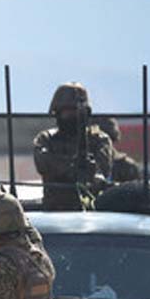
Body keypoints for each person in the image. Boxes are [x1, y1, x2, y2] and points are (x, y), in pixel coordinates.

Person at [33, 82, 114, 211]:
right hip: (55, 208)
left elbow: (102, 168)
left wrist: (88, 171)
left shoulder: (99, 139)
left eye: (75, 112)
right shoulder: (46, 139)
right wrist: (71, 168)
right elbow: (43, 163)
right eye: (66, 112)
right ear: (57, 113)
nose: (71, 116)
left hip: (92, 210)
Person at [95, 117, 142, 183]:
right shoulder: (84, 163)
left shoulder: (127, 166)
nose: (103, 144)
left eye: (106, 140)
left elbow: (135, 190)